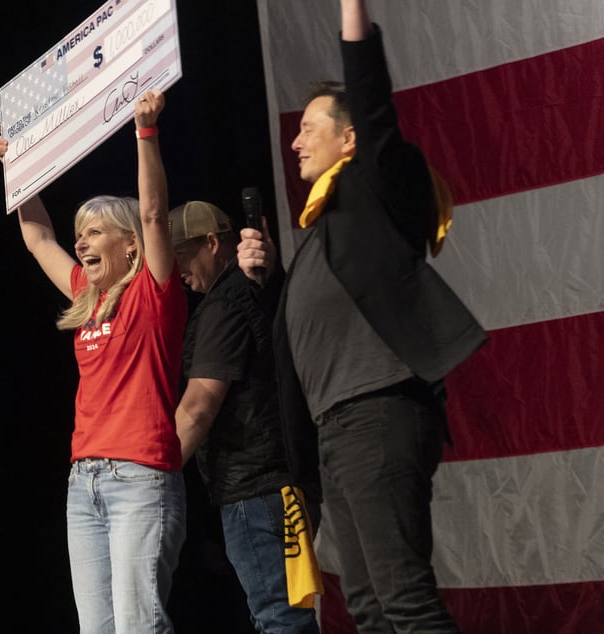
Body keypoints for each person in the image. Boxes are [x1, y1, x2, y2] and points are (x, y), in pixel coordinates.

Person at [236, 1, 488, 632]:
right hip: (336, 429)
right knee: (371, 608)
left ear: (350, 140)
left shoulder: (375, 190)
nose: (295, 139)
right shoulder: (326, 231)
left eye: (309, 128)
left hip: (377, 410)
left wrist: (352, 10)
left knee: (402, 598)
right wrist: (269, 285)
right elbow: (303, 336)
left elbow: (373, 100)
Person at [0, 89, 188, 633]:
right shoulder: (85, 295)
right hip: (86, 484)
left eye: (95, 232)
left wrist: (145, 133)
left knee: (137, 626)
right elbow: (37, 236)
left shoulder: (155, 292)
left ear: (130, 246)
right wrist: (19, 168)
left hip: (140, 479)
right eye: (81, 234)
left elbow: (154, 213)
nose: (81, 244)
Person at [171, 200, 321, 634]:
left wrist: (154, 473)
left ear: (213, 243)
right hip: (283, 484)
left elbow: (199, 406)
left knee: (278, 617)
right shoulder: (256, 292)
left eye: (180, 254)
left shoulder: (225, 305)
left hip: (256, 491)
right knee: (282, 613)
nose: (176, 270)